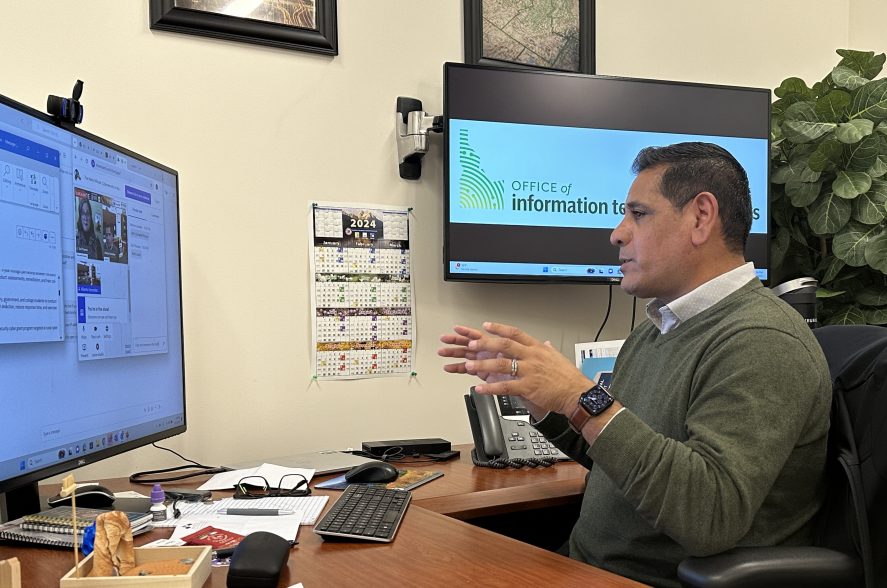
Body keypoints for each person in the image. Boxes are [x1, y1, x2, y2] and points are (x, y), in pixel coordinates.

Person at [438, 142, 832, 588]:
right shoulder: (656, 328)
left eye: (638, 214)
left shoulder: (761, 340)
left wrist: (577, 393)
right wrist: (544, 401)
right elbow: (615, 461)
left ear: (701, 217)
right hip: (582, 565)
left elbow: (710, 514)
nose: (617, 234)